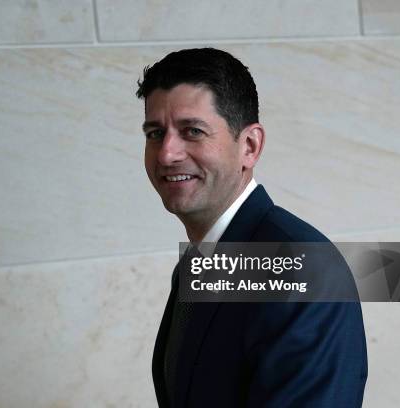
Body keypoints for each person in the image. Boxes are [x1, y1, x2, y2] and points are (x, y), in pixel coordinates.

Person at [136, 48, 368, 407]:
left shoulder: (304, 269)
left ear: (249, 146)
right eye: (155, 133)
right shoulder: (199, 264)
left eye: (192, 131)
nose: (167, 154)